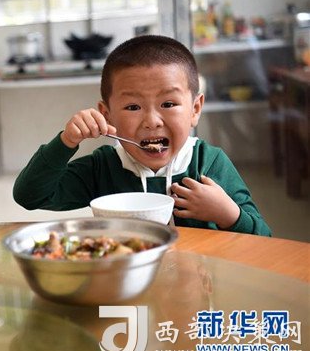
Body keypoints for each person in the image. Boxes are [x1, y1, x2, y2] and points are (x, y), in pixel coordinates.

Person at [13, 35, 271, 236]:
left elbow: (264, 239)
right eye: (133, 107)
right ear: (107, 115)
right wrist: (66, 142)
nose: (152, 121)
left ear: (194, 110)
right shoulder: (102, 167)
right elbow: (29, 196)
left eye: (168, 104)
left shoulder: (209, 163)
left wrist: (228, 214)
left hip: (196, 284)